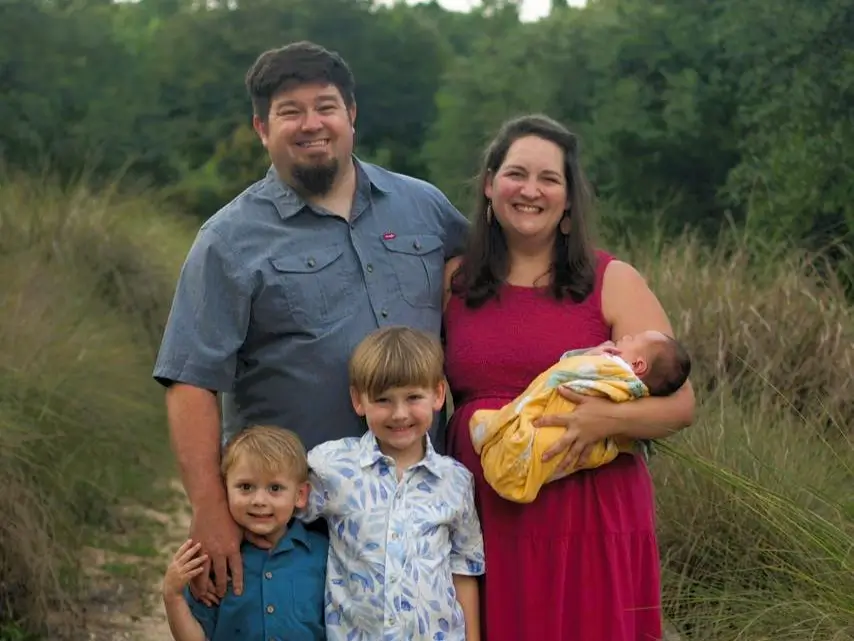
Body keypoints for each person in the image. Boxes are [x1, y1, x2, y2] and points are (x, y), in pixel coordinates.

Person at [152, 40, 468, 601]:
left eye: (324, 106)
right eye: (289, 111)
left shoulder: (425, 208)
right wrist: (208, 510)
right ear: (261, 127)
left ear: (351, 114)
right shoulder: (228, 241)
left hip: (415, 518)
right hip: (291, 527)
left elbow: (496, 291)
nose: (310, 124)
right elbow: (191, 380)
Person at [442, 114, 696, 641]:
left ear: (568, 198)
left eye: (549, 179)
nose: (530, 190)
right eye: (516, 174)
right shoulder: (454, 280)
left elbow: (679, 405)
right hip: (487, 507)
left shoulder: (613, 280)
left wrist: (603, 419)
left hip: (591, 513)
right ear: (490, 186)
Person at [299, 326, 485, 641]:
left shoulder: (455, 480)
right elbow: (279, 514)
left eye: (413, 397)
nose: (400, 414)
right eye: (383, 400)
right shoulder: (331, 467)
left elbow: (464, 568)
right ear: (359, 400)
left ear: (438, 394)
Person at [469, 330, 692, 503]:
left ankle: (512, 453)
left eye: (632, 339)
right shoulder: (623, 382)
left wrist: (589, 358)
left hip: (571, 433)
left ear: (638, 365)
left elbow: (569, 371)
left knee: (543, 443)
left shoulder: (614, 372)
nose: (624, 337)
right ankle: (514, 463)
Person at [161, 426, 327, 641]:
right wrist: (172, 597)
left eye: (275, 488)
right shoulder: (216, 558)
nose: (259, 500)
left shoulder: (322, 554)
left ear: (300, 495)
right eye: (246, 487)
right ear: (225, 489)